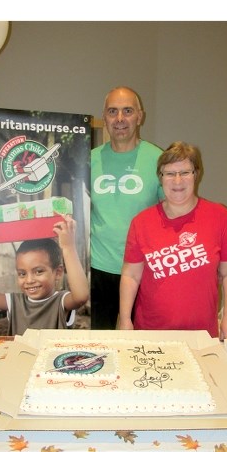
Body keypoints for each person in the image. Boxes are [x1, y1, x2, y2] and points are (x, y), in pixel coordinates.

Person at [119, 141, 227, 340]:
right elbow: (131, 275)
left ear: (196, 174)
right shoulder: (141, 222)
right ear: (160, 178)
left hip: (202, 334)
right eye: (169, 173)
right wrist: (125, 319)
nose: (177, 181)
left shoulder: (221, 217)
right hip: (151, 334)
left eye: (185, 172)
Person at [91, 86, 163, 329]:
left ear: (139, 116)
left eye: (127, 111)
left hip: (143, 271)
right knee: (98, 346)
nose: (120, 119)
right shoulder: (88, 160)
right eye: (113, 111)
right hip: (97, 271)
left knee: (139, 347)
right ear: (105, 117)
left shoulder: (157, 159)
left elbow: (172, 215)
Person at [0, 215, 89, 335]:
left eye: (38, 271)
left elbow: (81, 296)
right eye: (22, 274)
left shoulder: (61, 301)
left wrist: (68, 247)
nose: (29, 280)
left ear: (58, 273)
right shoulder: (15, 302)